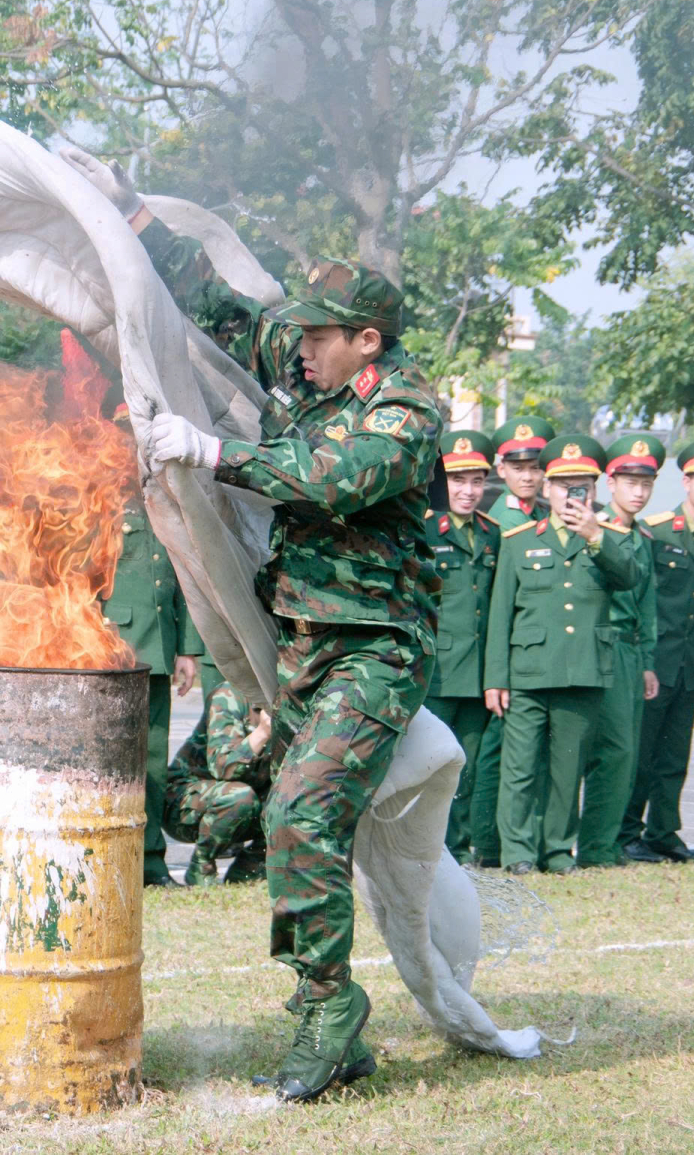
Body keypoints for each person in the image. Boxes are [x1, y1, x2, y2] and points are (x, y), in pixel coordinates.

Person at [111, 143, 438, 1096]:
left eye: (319, 335)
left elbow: (332, 481)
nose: (296, 346)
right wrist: (129, 212)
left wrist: (208, 450)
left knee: (302, 813)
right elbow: (217, 303)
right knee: (177, 797)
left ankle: (330, 1007)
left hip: (371, 657)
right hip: (292, 653)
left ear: (367, 340)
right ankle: (299, 922)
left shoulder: (407, 412)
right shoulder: (309, 375)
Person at [485, 435, 642, 876]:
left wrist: (594, 535)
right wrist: (495, 679)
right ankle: (517, 852)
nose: (573, 494)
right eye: (564, 485)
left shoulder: (609, 538)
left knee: (566, 769)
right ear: (547, 489)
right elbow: (501, 615)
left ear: (593, 492)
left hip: (582, 669)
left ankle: (556, 850)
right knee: (518, 770)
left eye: (583, 487)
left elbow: (629, 577)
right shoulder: (518, 541)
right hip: (528, 671)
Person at [622, 436, 694, 863]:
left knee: (674, 755)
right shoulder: (655, 532)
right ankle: (626, 832)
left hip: (688, 664)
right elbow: (643, 601)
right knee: (641, 753)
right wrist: (646, 660)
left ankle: (663, 831)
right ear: (686, 481)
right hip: (656, 660)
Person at [101, 465, 201, 889]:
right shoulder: (99, 503)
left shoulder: (165, 500)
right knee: (113, 763)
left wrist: (187, 648)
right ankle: (111, 857)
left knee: (154, 761)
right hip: (115, 650)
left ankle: (151, 861)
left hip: (159, 649)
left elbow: (185, 578)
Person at [574, 434, 660, 869]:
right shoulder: (591, 527)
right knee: (596, 750)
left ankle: (603, 845)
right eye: (630, 483)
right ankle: (587, 846)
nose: (638, 492)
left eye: (646, 484)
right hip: (596, 647)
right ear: (610, 484)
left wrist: (647, 662)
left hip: (628, 654)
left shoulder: (641, 536)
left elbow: (647, 607)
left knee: (622, 753)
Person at [423, 430, 503, 866]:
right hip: (436, 670)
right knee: (433, 767)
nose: (468, 491)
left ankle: (459, 848)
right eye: (458, 480)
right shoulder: (424, 528)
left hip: (476, 674)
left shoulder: (492, 534)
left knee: (467, 769)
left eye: (476, 481)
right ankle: (432, 850)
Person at [165, 682, 270, 886]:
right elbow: (224, 767)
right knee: (239, 797)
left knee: (290, 799)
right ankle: (201, 867)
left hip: (247, 793)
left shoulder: (293, 697)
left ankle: (248, 869)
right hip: (186, 802)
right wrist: (263, 732)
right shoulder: (230, 694)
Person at [488, 415, 556, 530]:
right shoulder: (509, 516)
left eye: (535, 468)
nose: (527, 477)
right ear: (502, 470)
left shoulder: (535, 509)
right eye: (518, 469)